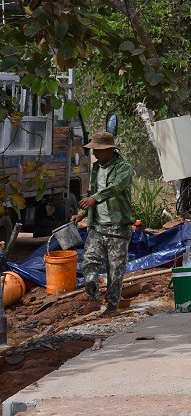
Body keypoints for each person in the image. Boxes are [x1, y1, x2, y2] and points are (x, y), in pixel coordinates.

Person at [72, 131, 133, 314]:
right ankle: (93, 299)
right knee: (89, 262)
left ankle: (112, 306)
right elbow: (93, 195)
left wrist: (95, 199)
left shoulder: (124, 167)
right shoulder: (97, 168)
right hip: (97, 226)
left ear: (109, 150)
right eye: (93, 150)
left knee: (115, 269)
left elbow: (116, 187)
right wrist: (83, 213)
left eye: (98, 150)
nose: (95, 154)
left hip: (118, 227)